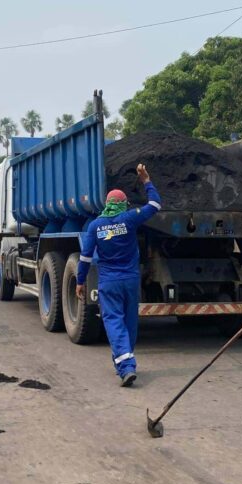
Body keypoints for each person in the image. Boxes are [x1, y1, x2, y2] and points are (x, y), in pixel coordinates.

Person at [76, 164, 161, 386]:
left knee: (113, 321)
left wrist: (80, 281)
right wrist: (146, 181)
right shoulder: (130, 219)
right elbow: (154, 204)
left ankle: (126, 366)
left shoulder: (95, 226)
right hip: (131, 281)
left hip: (109, 282)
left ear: (107, 204)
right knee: (130, 321)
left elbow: (85, 257)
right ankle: (124, 360)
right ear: (123, 204)